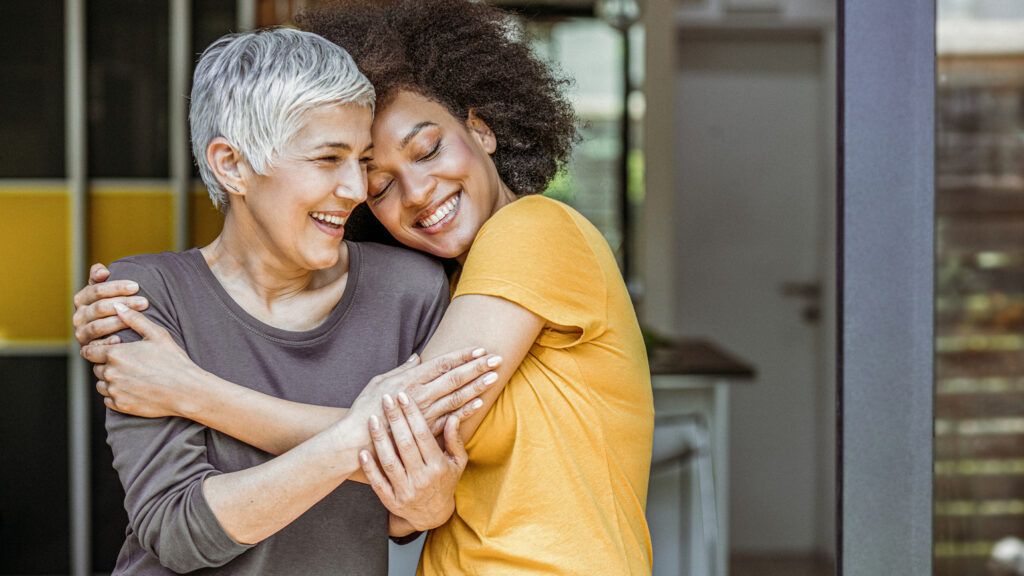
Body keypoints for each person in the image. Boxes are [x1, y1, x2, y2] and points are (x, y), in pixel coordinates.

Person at [76, 1, 656, 574]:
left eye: (428, 149)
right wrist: (418, 498)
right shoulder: (442, 282)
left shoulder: (529, 232)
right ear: (233, 166)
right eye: (378, 183)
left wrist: (192, 392)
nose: (414, 191)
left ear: (482, 128)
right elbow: (400, 489)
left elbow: (409, 442)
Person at [76, 27, 500, 575]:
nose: (355, 188)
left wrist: (425, 501)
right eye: (327, 159)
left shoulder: (409, 291)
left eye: (362, 160)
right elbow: (177, 532)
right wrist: (358, 438)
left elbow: (412, 510)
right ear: (232, 165)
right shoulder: (142, 297)